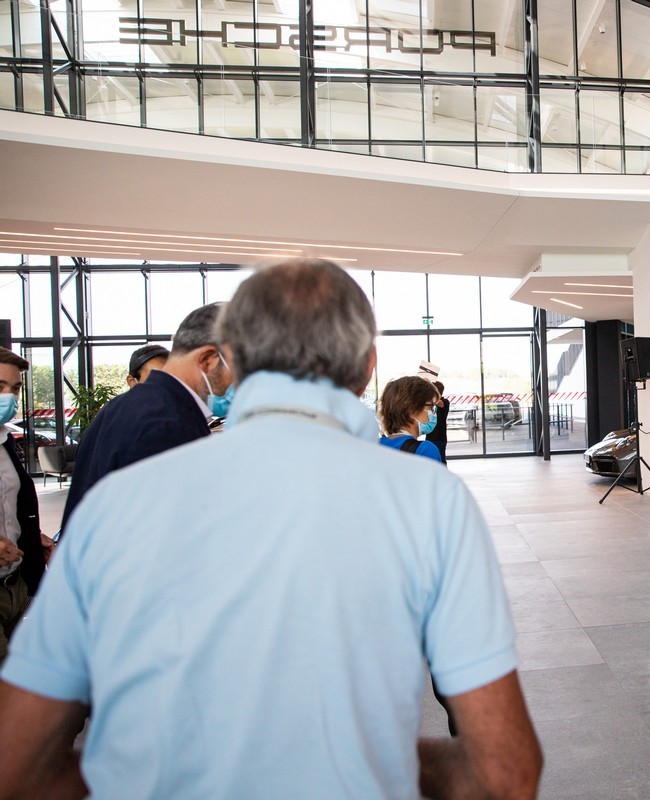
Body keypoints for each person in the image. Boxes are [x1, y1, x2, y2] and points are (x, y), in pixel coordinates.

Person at [0, 259, 542, 799]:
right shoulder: (430, 501)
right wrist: (375, 760)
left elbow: (16, 764)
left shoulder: (118, 503)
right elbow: (506, 772)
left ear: (231, 357)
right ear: (370, 364)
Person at [59, 303, 233, 532]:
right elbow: (162, 537)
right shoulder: (167, 426)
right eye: (245, 369)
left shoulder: (122, 407)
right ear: (209, 359)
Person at [0, 348, 49, 665]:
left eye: (14, 389)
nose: (9, 396)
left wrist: (34, 535)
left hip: (13, 584)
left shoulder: (6, 442)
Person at [379, 376, 443, 462]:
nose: (433, 413)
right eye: (431, 407)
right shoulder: (425, 450)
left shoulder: (374, 446)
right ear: (411, 410)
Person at [427, 380, 450, 463]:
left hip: (439, 438)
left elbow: (437, 402)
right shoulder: (430, 404)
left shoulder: (445, 402)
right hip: (430, 436)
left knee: (441, 461)